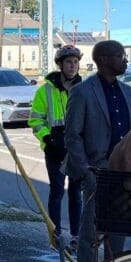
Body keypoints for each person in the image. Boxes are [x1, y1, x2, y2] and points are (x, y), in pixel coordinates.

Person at [64, 40, 131, 262]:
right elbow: (72, 134)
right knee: (91, 229)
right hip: (96, 168)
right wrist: (85, 168)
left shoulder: (128, 92)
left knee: (119, 227)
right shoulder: (83, 92)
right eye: (122, 56)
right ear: (105, 59)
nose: (125, 60)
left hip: (124, 170)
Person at [29, 45, 83, 250]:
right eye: (69, 62)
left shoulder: (83, 88)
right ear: (60, 65)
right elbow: (35, 120)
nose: (73, 66)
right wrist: (48, 140)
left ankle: (76, 236)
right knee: (57, 191)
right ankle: (56, 235)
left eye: (76, 62)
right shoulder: (45, 91)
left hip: (77, 148)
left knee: (76, 193)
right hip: (54, 148)